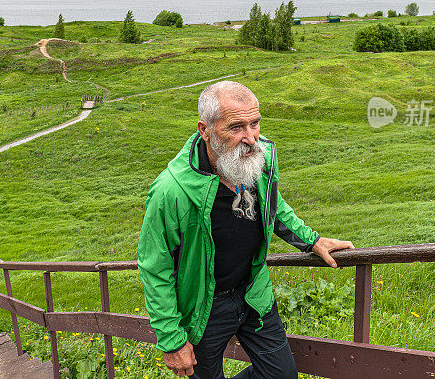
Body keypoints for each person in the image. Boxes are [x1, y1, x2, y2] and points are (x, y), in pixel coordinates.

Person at [137, 80, 354, 378]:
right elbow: (155, 266)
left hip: (253, 291)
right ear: (205, 130)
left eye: (255, 123)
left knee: (281, 376)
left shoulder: (256, 159)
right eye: (236, 127)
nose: (251, 138)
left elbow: (272, 205)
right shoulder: (171, 191)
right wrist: (172, 339)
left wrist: (311, 240)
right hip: (204, 306)